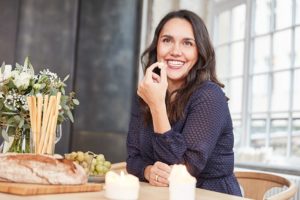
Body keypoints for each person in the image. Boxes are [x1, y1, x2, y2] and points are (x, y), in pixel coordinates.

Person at [126, 9, 242, 196]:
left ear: (199, 51)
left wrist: (157, 106)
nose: (175, 51)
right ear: (157, 47)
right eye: (167, 40)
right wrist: (149, 171)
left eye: (187, 43)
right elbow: (133, 160)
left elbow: (182, 171)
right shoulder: (146, 94)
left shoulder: (210, 96)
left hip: (211, 195)